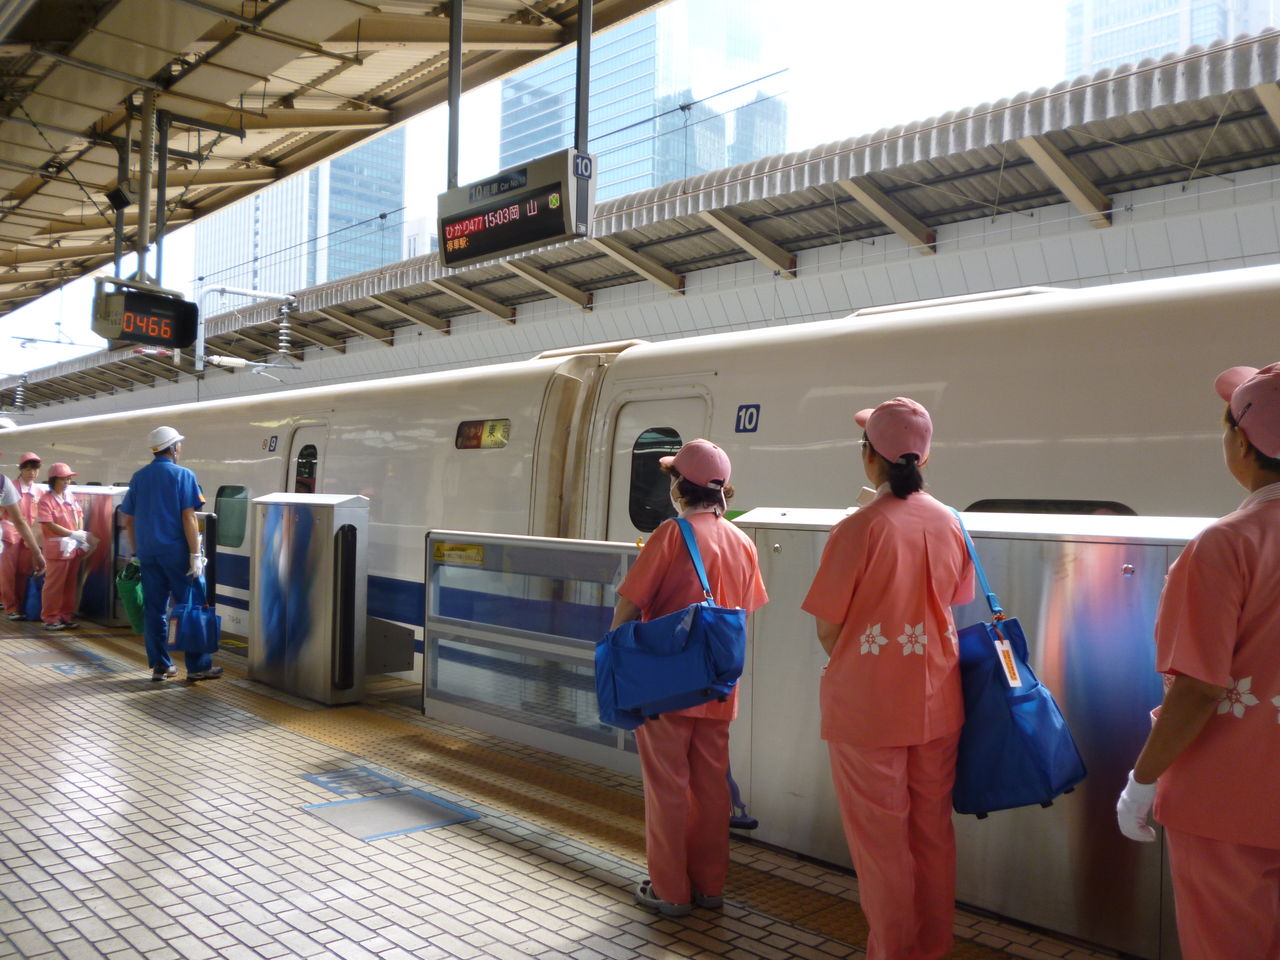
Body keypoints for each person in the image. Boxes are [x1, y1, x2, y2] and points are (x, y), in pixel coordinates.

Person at [1115, 363, 1280, 960]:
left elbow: (1197, 690)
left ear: (1241, 442)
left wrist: (1141, 782)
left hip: (1227, 804)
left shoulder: (1226, 544)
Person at [801, 398, 974, 960]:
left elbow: (830, 629)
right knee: (931, 836)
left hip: (869, 709)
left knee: (882, 847)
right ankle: (931, 950)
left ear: (869, 456)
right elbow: (954, 602)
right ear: (926, 456)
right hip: (940, 703)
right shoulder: (951, 521)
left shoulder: (858, 528)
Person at [610, 439, 768, 917]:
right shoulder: (742, 541)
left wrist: (616, 648)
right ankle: (709, 886)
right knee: (711, 788)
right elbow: (749, 606)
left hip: (667, 683)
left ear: (681, 485)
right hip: (720, 684)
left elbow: (631, 603)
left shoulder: (671, 535)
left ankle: (670, 890)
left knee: (667, 788)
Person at [119, 426, 219, 682]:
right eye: (179, 445)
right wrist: (195, 555)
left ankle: (161, 665)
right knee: (192, 606)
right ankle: (197, 667)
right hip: (177, 555)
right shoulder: (183, 475)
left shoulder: (139, 477)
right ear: (173, 448)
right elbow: (189, 516)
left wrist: (135, 551)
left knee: (154, 610)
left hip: (148, 554)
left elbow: (128, 518)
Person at [36, 462, 89, 630]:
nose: (67, 482)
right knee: (54, 584)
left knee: (69, 583)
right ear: (54, 480)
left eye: (68, 479)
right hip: (57, 548)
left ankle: (65, 615)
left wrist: (79, 534)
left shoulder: (70, 497)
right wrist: (71, 533)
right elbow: (48, 524)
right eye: (64, 479)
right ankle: (50, 617)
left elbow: (79, 514)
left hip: (72, 547)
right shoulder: (46, 500)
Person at [1, 451, 46, 619]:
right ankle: (10, 607)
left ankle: (19, 606)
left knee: (24, 570)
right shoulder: (9, 486)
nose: (31, 473)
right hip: (10, 534)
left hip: (29, 536)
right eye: (27, 469)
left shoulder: (39, 492)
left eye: (34, 469)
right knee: (8, 572)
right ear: (21, 470)